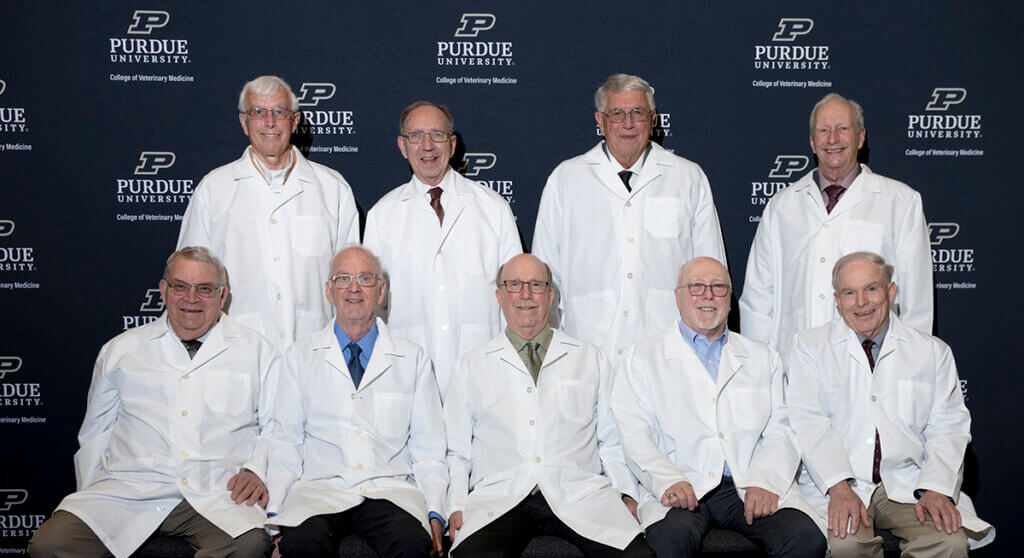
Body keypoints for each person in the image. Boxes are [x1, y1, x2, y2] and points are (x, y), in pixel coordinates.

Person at [29, 247, 280, 558]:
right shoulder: (122, 350)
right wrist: (89, 500)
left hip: (213, 488)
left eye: (205, 288)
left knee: (246, 548)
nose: (191, 299)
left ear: (223, 296)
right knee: (52, 546)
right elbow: (96, 432)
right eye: (180, 286)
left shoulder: (256, 350)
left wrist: (257, 469)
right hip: (128, 486)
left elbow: (276, 426)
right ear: (162, 291)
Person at [612, 256, 824, 558]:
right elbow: (632, 430)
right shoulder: (641, 356)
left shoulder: (762, 356)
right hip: (677, 485)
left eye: (718, 288)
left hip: (744, 484)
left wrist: (767, 479)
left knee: (806, 539)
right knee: (670, 540)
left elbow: (783, 427)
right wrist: (666, 478)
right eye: (697, 287)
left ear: (731, 296)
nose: (707, 296)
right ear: (677, 296)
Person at [445, 253, 654, 558]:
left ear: (551, 296)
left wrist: (624, 491)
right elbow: (457, 449)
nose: (525, 295)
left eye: (536, 285)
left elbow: (611, 440)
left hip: (576, 489)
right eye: (514, 286)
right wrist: (456, 502)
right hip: (503, 494)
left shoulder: (589, 358)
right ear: (498, 296)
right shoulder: (471, 364)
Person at [787, 251, 994, 558]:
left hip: (908, 482)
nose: (861, 302)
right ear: (836, 299)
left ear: (892, 292)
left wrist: (937, 487)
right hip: (842, 482)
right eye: (849, 292)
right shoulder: (809, 346)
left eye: (872, 288)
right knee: (844, 550)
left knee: (949, 544)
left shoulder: (932, 352)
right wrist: (839, 487)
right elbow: (808, 421)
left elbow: (949, 427)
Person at [266, 245, 447, 558]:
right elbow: (283, 441)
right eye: (342, 279)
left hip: (387, 487)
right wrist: (276, 522)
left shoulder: (411, 357)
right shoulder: (299, 356)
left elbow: (430, 447)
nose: (353, 288)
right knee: (302, 544)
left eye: (365, 279)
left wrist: (435, 511)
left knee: (411, 548)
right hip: (321, 486)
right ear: (328, 291)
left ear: (381, 292)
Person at [532, 74, 726, 361]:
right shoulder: (566, 179)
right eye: (617, 114)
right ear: (599, 120)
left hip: (669, 350)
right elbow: (545, 274)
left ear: (653, 118)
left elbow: (712, 272)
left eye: (638, 112)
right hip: (585, 346)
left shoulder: (688, 177)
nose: (628, 123)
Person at [741, 93, 933, 361]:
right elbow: (758, 300)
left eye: (843, 129)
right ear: (811, 141)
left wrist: (910, 370)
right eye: (823, 130)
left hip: (873, 365)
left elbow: (917, 302)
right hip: (795, 367)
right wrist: (759, 370)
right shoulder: (780, 207)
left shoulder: (900, 202)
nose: (832, 139)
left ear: (861, 137)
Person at [178, 75, 359, 347]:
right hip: (234, 352)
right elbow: (188, 278)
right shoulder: (214, 189)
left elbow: (352, 282)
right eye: (258, 112)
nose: (270, 122)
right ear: (244, 122)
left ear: (295, 121)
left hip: (315, 350)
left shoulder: (333, 189)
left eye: (279, 112)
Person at [363, 101, 521, 394]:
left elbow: (515, 296)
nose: (427, 146)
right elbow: (372, 307)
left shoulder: (493, 208)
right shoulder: (381, 216)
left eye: (436, 135)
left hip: (484, 372)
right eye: (416, 136)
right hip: (406, 376)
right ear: (402, 145)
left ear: (452, 144)